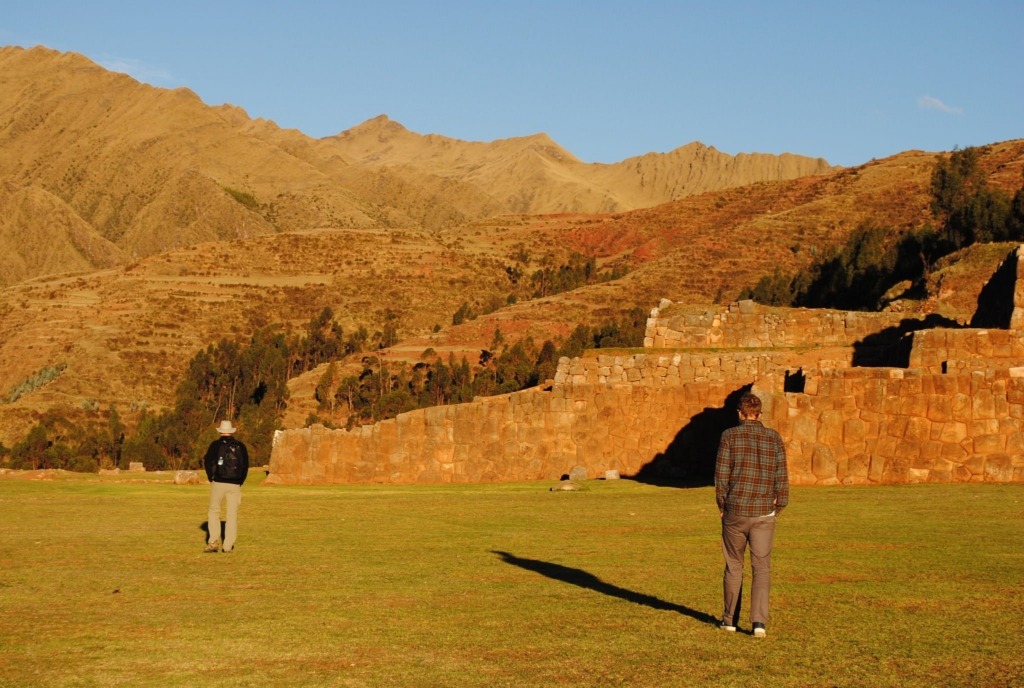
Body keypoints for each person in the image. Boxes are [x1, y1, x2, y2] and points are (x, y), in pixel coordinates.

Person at [715, 392, 789, 638]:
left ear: (740, 412)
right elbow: (782, 478)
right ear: (759, 414)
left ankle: (729, 620)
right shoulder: (774, 438)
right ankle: (759, 623)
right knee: (762, 568)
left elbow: (721, 475)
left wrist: (723, 505)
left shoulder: (729, 436)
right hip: (764, 513)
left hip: (735, 511)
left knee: (734, 566)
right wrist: (778, 506)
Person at [203, 420, 250, 553]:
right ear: (231, 431)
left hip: (218, 482)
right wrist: (240, 481)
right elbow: (245, 466)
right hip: (235, 484)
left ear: (220, 431)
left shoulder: (215, 445)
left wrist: (211, 478)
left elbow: (207, 462)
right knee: (232, 514)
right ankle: (228, 545)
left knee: (214, 511)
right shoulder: (240, 446)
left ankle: (213, 541)